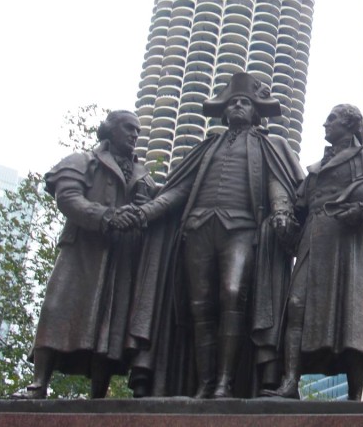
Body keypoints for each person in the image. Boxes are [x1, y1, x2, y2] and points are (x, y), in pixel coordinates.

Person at [127, 72, 303, 398]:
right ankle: (205, 382)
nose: (238, 106)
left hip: (241, 230)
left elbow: (278, 183)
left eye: (245, 103)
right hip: (197, 228)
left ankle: (225, 381)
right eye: (233, 102)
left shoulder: (270, 145)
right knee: (199, 305)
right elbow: (176, 191)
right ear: (225, 111)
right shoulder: (206, 147)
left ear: (255, 111)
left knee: (233, 293)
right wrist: (143, 213)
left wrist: (281, 211)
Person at [266, 104, 363, 400]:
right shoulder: (314, 171)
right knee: (296, 305)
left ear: (350, 123)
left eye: (331, 119)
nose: (324, 124)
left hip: (350, 245)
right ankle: (290, 382)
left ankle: (356, 396)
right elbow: (299, 206)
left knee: (353, 316)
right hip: (313, 241)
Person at [13, 110, 155, 399]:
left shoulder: (143, 174)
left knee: (111, 324)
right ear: (109, 130)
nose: (134, 135)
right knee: (58, 310)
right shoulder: (83, 161)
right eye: (128, 128)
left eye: (138, 131)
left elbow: (155, 204)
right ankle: (38, 383)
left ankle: (98, 396)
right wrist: (106, 216)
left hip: (123, 257)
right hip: (82, 252)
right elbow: (67, 198)